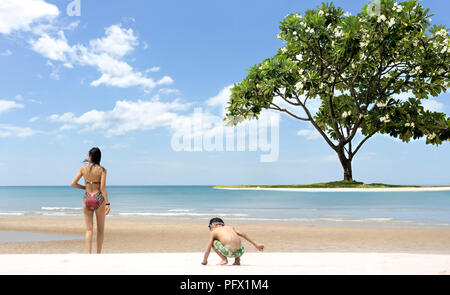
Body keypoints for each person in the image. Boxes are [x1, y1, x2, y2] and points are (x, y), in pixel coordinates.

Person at [71, 147, 110, 254]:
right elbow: (102, 188)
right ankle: (98, 254)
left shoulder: (83, 169)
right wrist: (107, 203)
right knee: (100, 230)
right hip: (99, 198)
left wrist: (85, 188)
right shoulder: (102, 170)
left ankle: (89, 254)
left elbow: (73, 184)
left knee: (89, 229)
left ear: (90, 156)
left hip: (87, 198)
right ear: (99, 157)